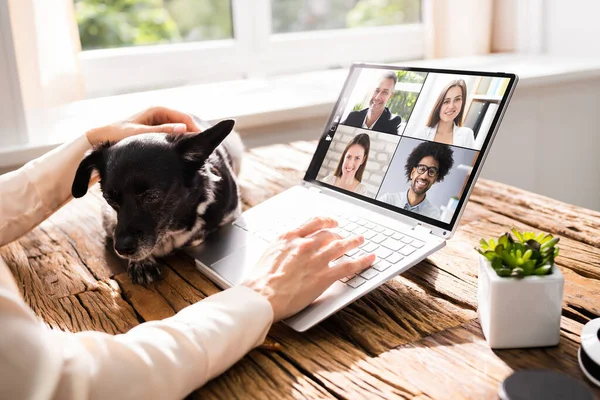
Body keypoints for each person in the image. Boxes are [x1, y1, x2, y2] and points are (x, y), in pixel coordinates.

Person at [0, 107, 376, 399]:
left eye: (147, 196)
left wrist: (93, 139)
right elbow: (77, 386)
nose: (123, 234)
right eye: (113, 199)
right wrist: (259, 298)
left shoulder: (216, 185)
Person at [377, 141, 454, 220]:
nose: (424, 176)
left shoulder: (433, 215)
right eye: (421, 169)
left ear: (435, 179)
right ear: (412, 173)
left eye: (431, 172)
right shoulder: (387, 200)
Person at [410, 79, 476, 148]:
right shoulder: (422, 133)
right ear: (439, 105)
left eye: (457, 99)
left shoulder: (467, 135)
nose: (451, 106)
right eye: (446, 101)